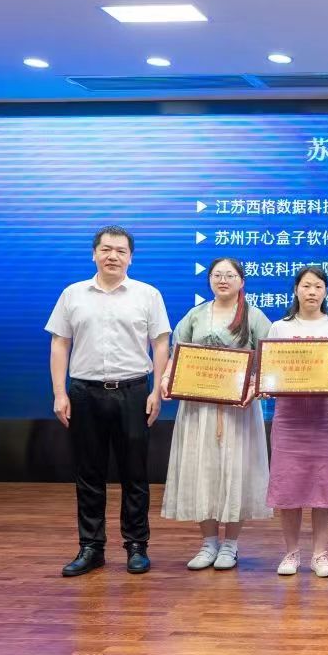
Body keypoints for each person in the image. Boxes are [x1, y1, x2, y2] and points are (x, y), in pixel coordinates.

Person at [47, 226, 170, 577]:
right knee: (88, 473)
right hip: (84, 392)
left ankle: (136, 546)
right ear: (94, 254)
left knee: (135, 473)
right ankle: (91, 547)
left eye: (120, 251)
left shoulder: (147, 294)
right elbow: (60, 343)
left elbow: (161, 343)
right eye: (105, 249)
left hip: (133, 391)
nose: (112, 256)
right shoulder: (73, 294)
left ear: (131, 257)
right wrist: (59, 392)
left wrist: (155, 391)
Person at [159, 258, 272, 571]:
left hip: (238, 410)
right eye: (217, 275)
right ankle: (208, 543)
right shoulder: (195, 315)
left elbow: (269, 360)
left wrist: (253, 387)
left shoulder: (254, 317)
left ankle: (231, 545)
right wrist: (167, 378)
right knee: (203, 471)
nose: (223, 280)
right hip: (199, 410)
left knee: (235, 472)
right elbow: (177, 354)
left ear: (241, 281)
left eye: (230, 275)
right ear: (209, 279)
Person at [264, 266, 328, 578]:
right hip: (290, 415)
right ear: (296, 290)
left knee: (325, 483)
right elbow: (268, 369)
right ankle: (291, 553)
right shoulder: (280, 327)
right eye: (306, 286)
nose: (312, 291)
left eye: (318, 286)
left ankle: (320, 554)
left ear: (326, 292)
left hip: (326, 415)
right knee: (288, 483)